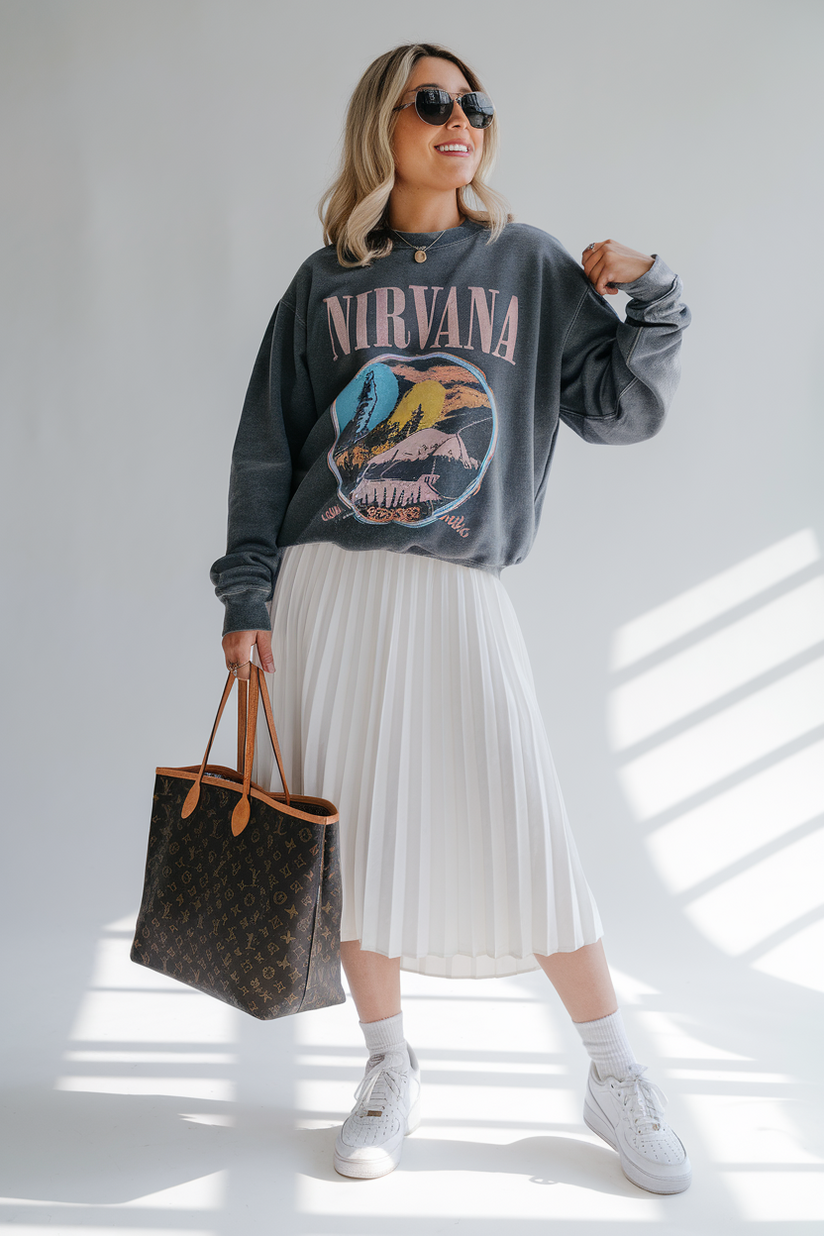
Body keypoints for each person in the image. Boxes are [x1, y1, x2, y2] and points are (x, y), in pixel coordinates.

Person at [211, 43, 692, 1194]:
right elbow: (267, 445)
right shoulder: (325, 279)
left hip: (456, 587)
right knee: (351, 844)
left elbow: (619, 411)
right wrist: (247, 592)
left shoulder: (523, 263)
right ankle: (387, 1066)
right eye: (430, 102)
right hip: (328, 582)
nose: (457, 119)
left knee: (525, 826)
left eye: (472, 103)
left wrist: (655, 295)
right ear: (384, 123)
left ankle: (612, 1068)